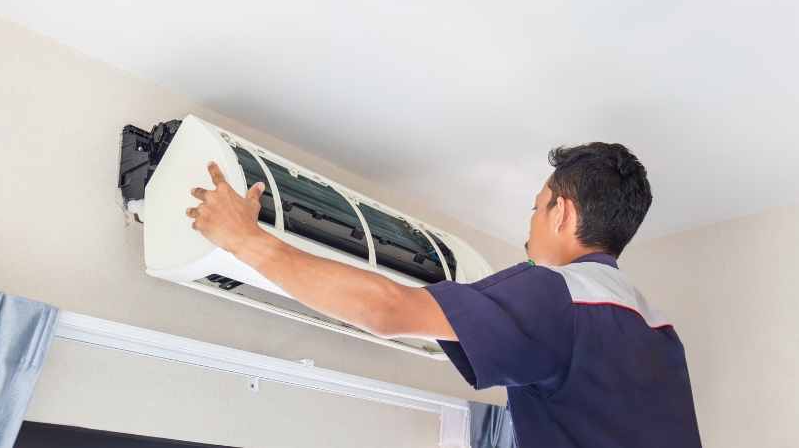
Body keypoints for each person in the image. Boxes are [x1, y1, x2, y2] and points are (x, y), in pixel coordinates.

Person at [185, 142, 702, 447]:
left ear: (561, 213)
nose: (530, 223)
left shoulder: (558, 295)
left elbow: (387, 310)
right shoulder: (659, 332)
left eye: (536, 207)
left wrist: (243, 238)